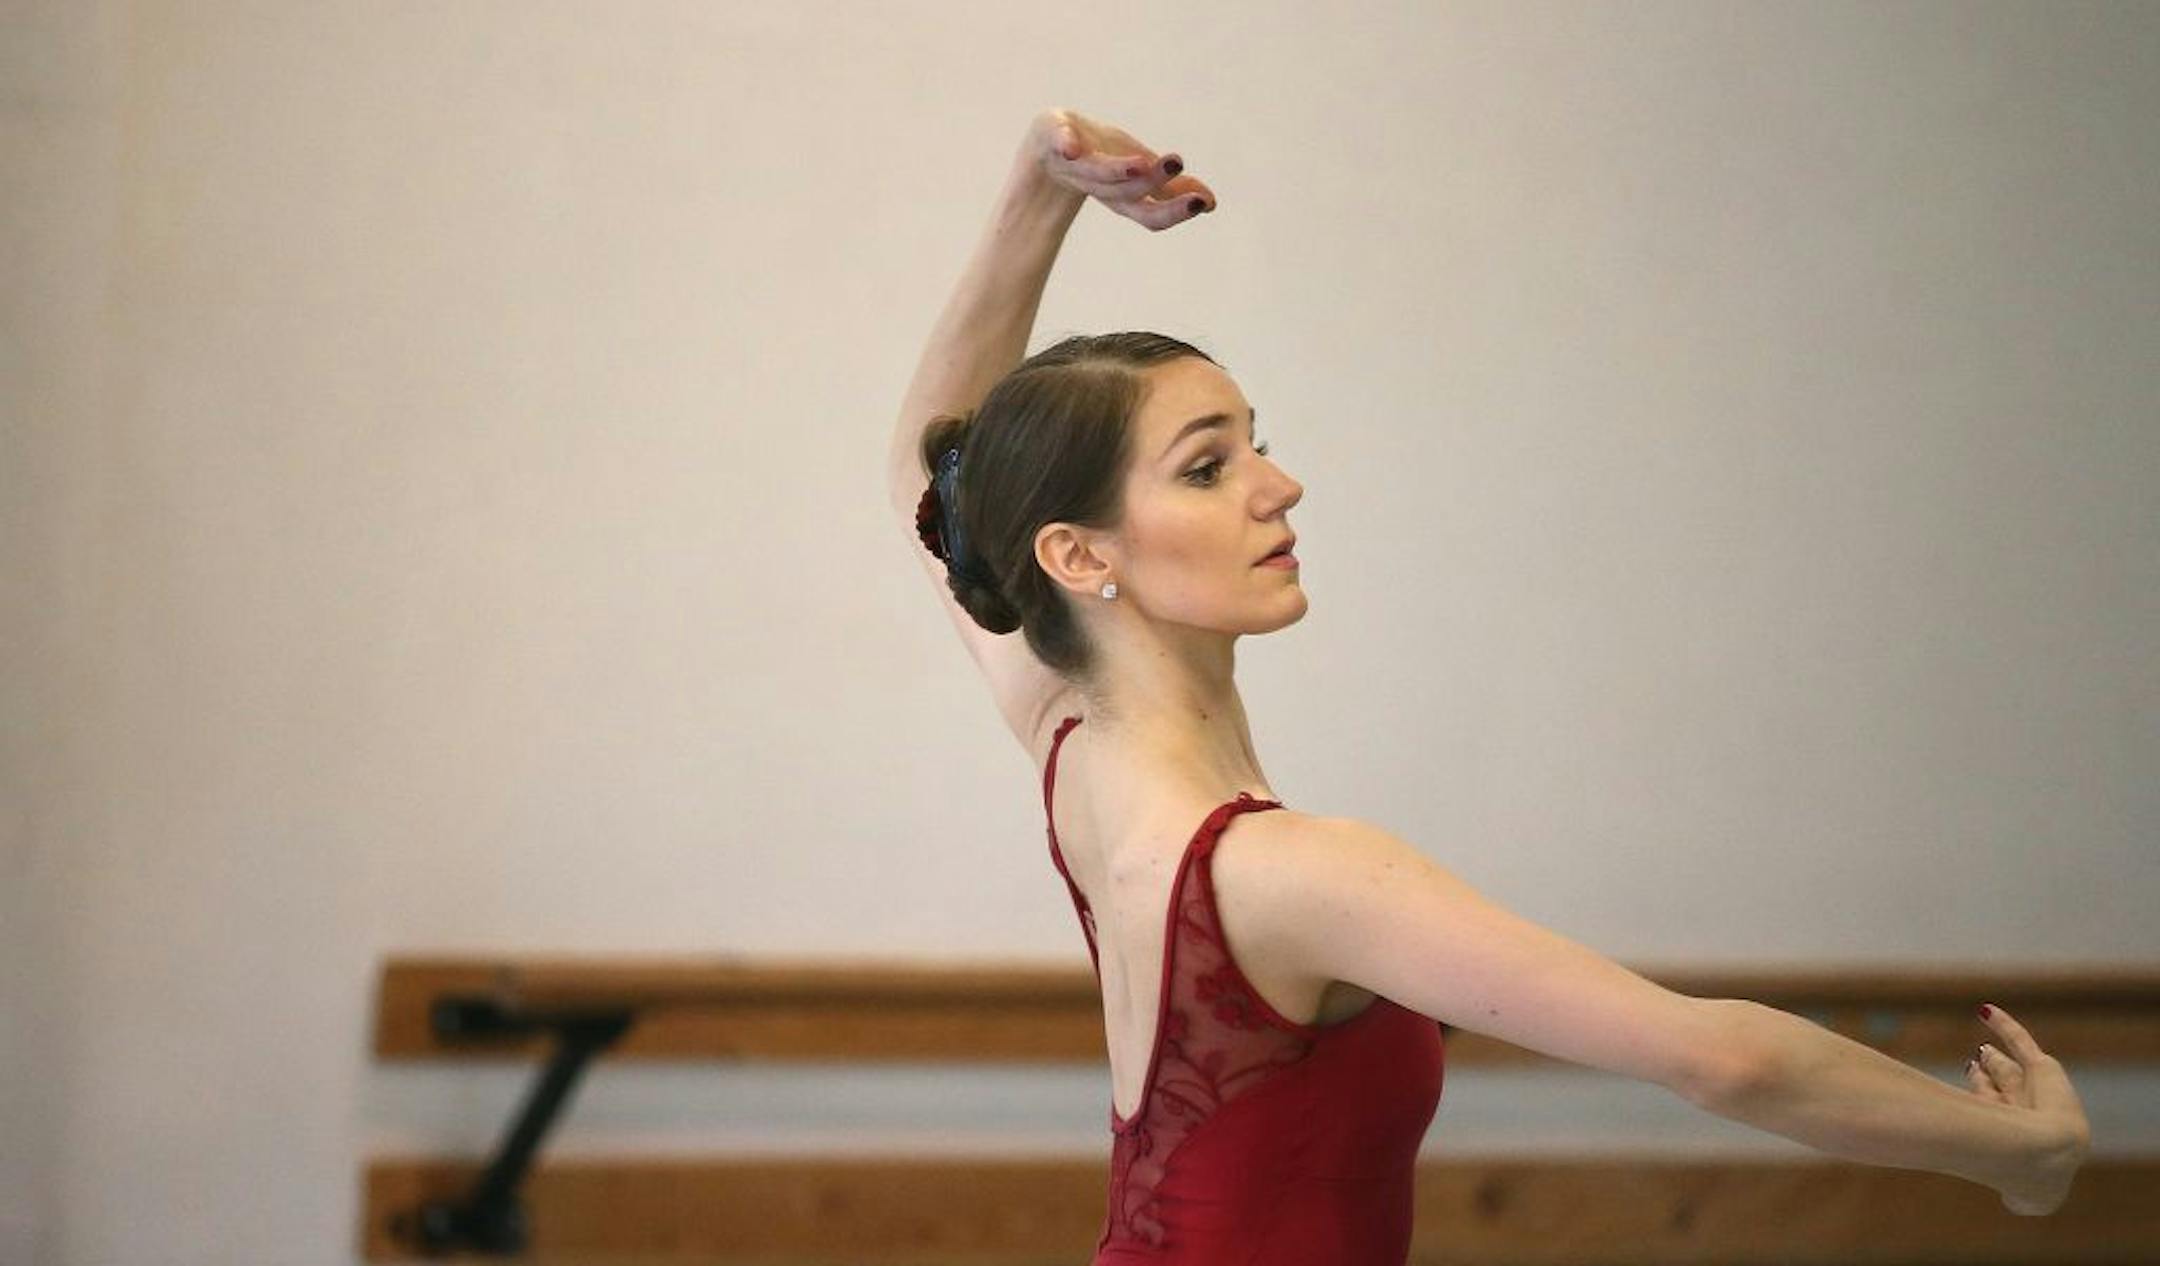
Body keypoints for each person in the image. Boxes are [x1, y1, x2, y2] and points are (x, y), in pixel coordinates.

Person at [886, 107, 2091, 1263]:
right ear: (1076, 554)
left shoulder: (1076, 747)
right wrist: (2019, 1153)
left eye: (1258, 441)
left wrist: (1040, 186)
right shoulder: (1291, 875)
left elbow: (929, 484)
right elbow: (1722, 1058)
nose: (1279, 486)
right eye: (1207, 468)